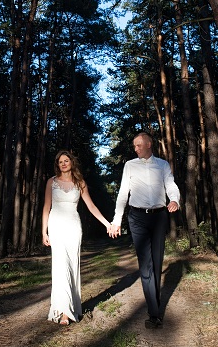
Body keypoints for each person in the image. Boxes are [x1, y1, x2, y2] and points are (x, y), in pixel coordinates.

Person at [108, 132, 180, 329]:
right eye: (134, 146)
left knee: (156, 263)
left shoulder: (162, 165)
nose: (135, 149)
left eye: (138, 145)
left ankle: (154, 307)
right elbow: (123, 193)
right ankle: (154, 313)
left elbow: (171, 185)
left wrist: (174, 199)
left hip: (158, 217)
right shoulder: (130, 165)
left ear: (149, 144)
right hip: (137, 217)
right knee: (146, 265)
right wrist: (117, 220)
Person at [42, 150, 112, 325]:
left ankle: (71, 306)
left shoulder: (80, 183)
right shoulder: (51, 182)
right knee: (60, 265)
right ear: (57, 165)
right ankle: (63, 311)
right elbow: (46, 208)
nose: (64, 164)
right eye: (60, 162)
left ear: (72, 162)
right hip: (56, 225)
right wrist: (44, 232)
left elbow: (91, 206)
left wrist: (107, 224)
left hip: (73, 226)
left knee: (72, 264)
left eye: (66, 160)